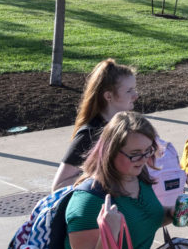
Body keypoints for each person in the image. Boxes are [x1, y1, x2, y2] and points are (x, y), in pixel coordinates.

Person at [59, 111, 183, 249]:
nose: (144, 159)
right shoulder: (88, 202)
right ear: (110, 151)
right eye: (135, 154)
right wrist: (109, 233)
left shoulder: (139, 176)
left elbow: (142, 220)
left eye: (148, 150)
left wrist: (171, 213)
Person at [52, 59, 138, 191]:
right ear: (108, 96)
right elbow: (58, 186)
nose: (135, 95)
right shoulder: (90, 134)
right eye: (129, 91)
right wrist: (103, 175)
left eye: (135, 89)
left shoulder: (126, 126)